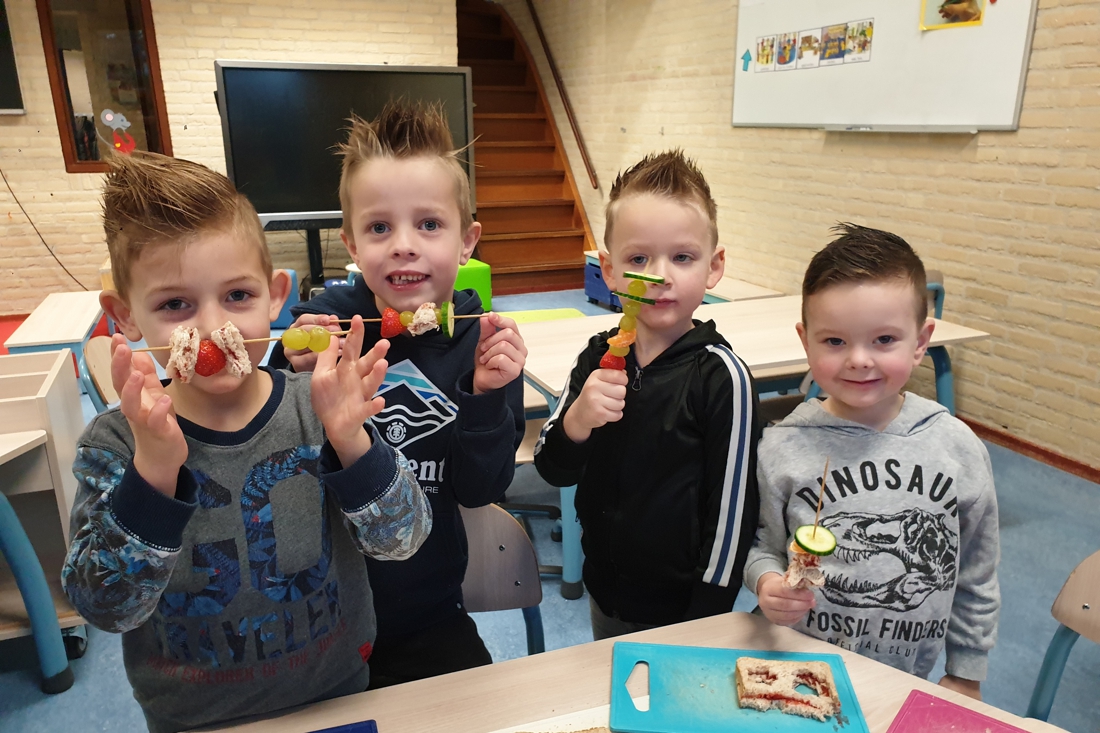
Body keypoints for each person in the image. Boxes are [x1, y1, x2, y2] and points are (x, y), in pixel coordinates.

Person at [62, 152, 432, 733]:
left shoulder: (322, 407)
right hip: (192, 720)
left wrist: (352, 444)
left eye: (237, 296)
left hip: (337, 698)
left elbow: (403, 541)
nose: (214, 329)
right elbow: (105, 608)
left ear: (276, 295)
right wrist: (154, 472)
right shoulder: (115, 444)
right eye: (175, 305)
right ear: (125, 316)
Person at [268, 100, 527, 687]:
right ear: (352, 245)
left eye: (429, 224)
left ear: (468, 242)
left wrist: (487, 396)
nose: (404, 245)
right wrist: (287, 359)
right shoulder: (328, 326)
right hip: (319, 614)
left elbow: (481, 489)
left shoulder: (481, 343)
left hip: (428, 612)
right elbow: (263, 426)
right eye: (379, 227)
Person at [746, 223, 1000, 700]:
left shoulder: (958, 448)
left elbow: (977, 573)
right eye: (835, 342)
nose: (859, 360)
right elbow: (762, 546)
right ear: (805, 340)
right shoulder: (780, 447)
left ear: (922, 341)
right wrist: (765, 582)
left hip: (906, 676)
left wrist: (967, 670)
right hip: (798, 665)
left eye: (884, 340)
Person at [533, 150, 761, 639]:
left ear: (713, 266)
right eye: (639, 259)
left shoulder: (724, 378)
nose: (659, 276)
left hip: (688, 608)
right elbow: (553, 466)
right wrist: (577, 422)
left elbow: (734, 514)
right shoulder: (597, 357)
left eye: (682, 257)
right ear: (610, 271)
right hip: (607, 592)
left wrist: (706, 616)